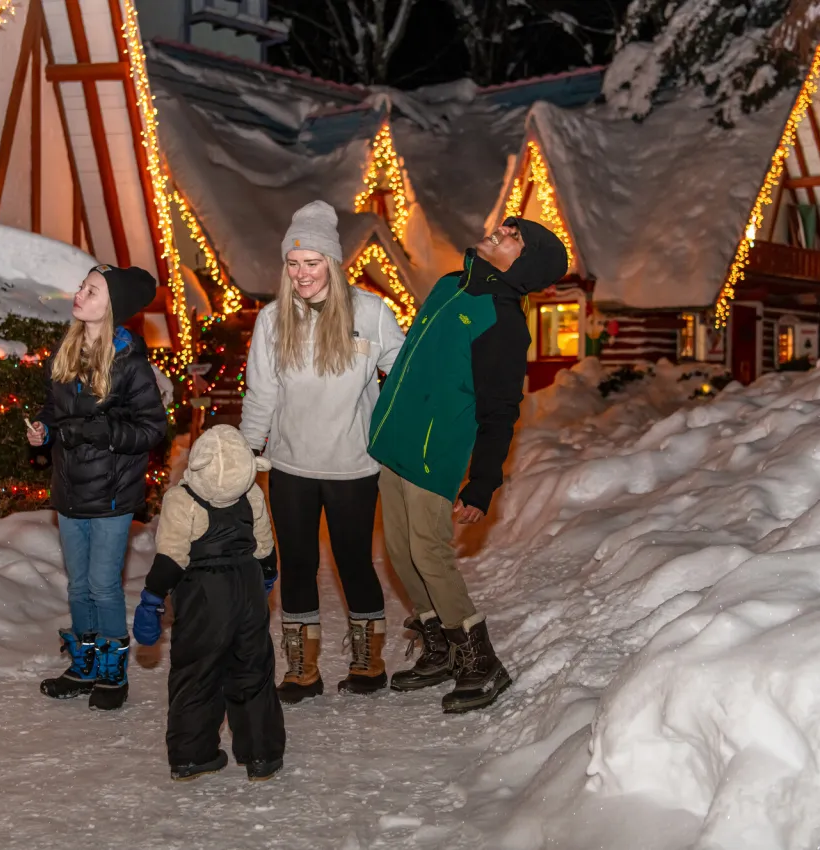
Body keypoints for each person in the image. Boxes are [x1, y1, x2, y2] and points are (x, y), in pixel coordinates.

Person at [368, 216, 568, 714]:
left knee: (429, 551)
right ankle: (438, 644)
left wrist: (482, 483)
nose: (500, 232)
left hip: (436, 451)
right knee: (398, 549)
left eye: (514, 237)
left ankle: (480, 662)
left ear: (525, 264)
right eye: (506, 227)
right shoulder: (449, 287)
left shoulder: (503, 322)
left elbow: (501, 412)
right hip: (394, 440)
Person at [240, 200, 406, 703]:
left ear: (332, 263)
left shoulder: (370, 314)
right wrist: (246, 456)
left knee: (354, 562)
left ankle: (368, 660)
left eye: (312, 262)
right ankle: (301, 668)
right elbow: (261, 393)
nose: (301, 273)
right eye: (293, 263)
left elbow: (405, 377)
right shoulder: (272, 320)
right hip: (289, 466)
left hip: (353, 467)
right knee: (297, 564)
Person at [29, 264, 168, 711]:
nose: (80, 293)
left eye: (91, 290)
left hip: (111, 491)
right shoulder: (67, 348)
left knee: (104, 585)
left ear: (111, 307)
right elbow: (54, 408)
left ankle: (113, 671)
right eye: (83, 286)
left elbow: (152, 428)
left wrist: (103, 432)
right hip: (70, 488)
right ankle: (84, 665)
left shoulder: (128, 360)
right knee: (77, 586)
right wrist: (43, 432)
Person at [131, 425, 286, 782]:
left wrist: (153, 597)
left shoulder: (182, 499)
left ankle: (191, 754)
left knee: (196, 672)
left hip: (202, 594)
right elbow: (264, 544)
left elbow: (171, 557)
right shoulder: (251, 495)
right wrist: (266, 578)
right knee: (253, 671)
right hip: (245, 587)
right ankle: (261, 753)